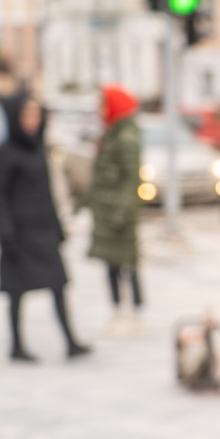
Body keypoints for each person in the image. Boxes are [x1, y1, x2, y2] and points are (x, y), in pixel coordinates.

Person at [0, 94, 90, 361]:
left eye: (36, 115)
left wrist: (57, 228)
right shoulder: (5, 153)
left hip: (44, 229)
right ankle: (16, 346)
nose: (32, 120)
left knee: (58, 285)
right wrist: (6, 232)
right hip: (19, 232)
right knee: (17, 291)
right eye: (27, 115)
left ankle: (70, 341)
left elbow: (47, 193)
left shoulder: (39, 149)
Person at [85, 84, 144, 320]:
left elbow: (132, 179)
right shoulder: (110, 134)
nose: (99, 110)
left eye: (103, 105)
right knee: (111, 262)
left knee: (127, 262)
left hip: (119, 213)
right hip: (106, 211)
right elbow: (99, 176)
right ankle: (117, 307)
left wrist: (121, 212)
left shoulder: (125, 138)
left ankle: (135, 307)